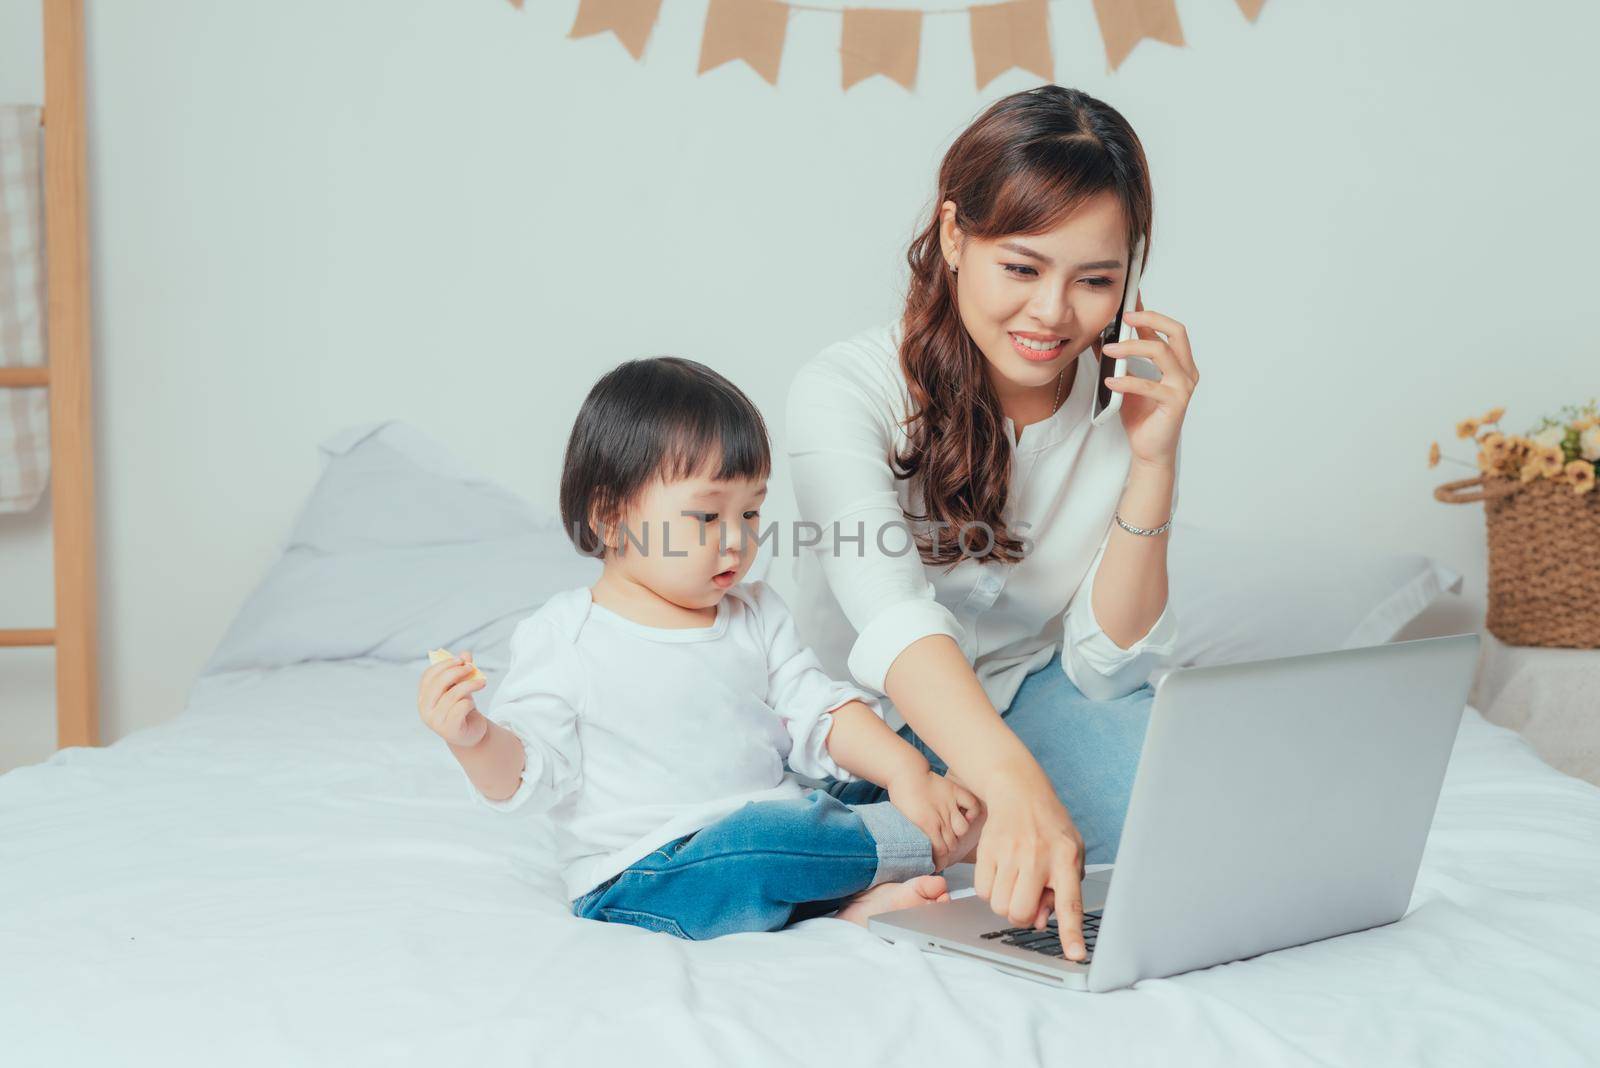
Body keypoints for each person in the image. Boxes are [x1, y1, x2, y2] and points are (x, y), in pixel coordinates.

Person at [785, 85, 1199, 962]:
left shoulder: (1122, 400)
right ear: (953, 236)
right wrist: (1014, 785)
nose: (1053, 315)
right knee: (776, 839)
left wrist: (1154, 460)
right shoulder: (844, 391)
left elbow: (1105, 659)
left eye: (1096, 280)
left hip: (1024, 697)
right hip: (864, 729)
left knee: (1192, 827)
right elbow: (894, 618)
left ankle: (928, 854)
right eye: (1022, 267)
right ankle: (876, 862)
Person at [416, 356, 983, 940]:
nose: (737, 540)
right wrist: (476, 739)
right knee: (760, 846)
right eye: (707, 515)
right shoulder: (565, 636)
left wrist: (908, 770)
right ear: (611, 517)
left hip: (776, 820)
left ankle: (859, 886)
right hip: (650, 873)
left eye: (752, 512)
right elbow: (531, 775)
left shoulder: (756, 611)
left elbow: (819, 713)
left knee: (906, 749)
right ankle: (924, 840)